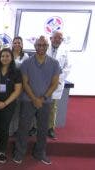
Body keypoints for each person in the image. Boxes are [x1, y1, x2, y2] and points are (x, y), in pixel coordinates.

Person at [13, 36, 60, 165]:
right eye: (39, 45)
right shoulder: (27, 63)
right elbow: (25, 82)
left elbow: (55, 84)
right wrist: (34, 98)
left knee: (43, 129)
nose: (41, 47)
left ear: (47, 47)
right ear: (35, 47)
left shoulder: (54, 63)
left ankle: (40, 153)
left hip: (45, 101)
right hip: (28, 100)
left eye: (44, 45)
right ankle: (19, 153)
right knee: (23, 128)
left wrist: (43, 98)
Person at [0, 48, 22, 163]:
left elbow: (17, 90)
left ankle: (1, 151)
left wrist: (5, 103)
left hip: (9, 104)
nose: (5, 58)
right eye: (3, 56)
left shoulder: (16, 72)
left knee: (4, 128)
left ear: (11, 58)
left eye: (7, 56)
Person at [46, 31, 70, 139]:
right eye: (55, 38)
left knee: (53, 106)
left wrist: (58, 78)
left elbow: (67, 67)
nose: (57, 40)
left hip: (57, 82)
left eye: (59, 38)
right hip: (44, 82)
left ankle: (50, 128)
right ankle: (35, 127)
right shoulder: (44, 48)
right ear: (51, 38)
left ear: (62, 40)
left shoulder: (65, 51)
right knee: (39, 105)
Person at [9, 36, 29, 136]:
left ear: (22, 45)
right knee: (9, 107)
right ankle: (8, 129)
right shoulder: (8, 54)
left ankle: (16, 129)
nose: (17, 44)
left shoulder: (25, 56)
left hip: (20, 86)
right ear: (12, 44)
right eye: (15, 42)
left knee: (17, 108)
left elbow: (27, 72)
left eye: (19, 43)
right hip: (8, 85)